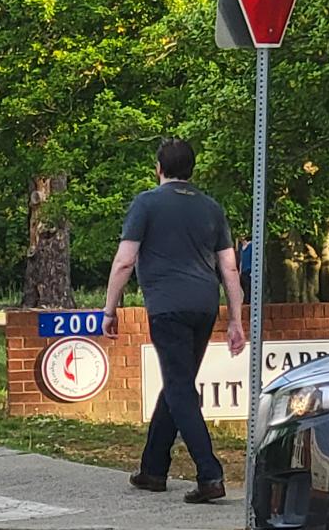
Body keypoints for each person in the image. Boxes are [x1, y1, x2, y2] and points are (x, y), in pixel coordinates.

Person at [99, 138, 247, 504]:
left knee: (180, 387)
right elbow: (229, 267)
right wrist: (235, 319)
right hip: (204, 305)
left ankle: (210, 473)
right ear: (191, 170)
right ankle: (153, 470)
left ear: (158, 168)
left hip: (167, 306)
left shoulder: (146, 203)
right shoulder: (212, 208)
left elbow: (124, 260)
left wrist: (109, 308)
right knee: (177, 382)